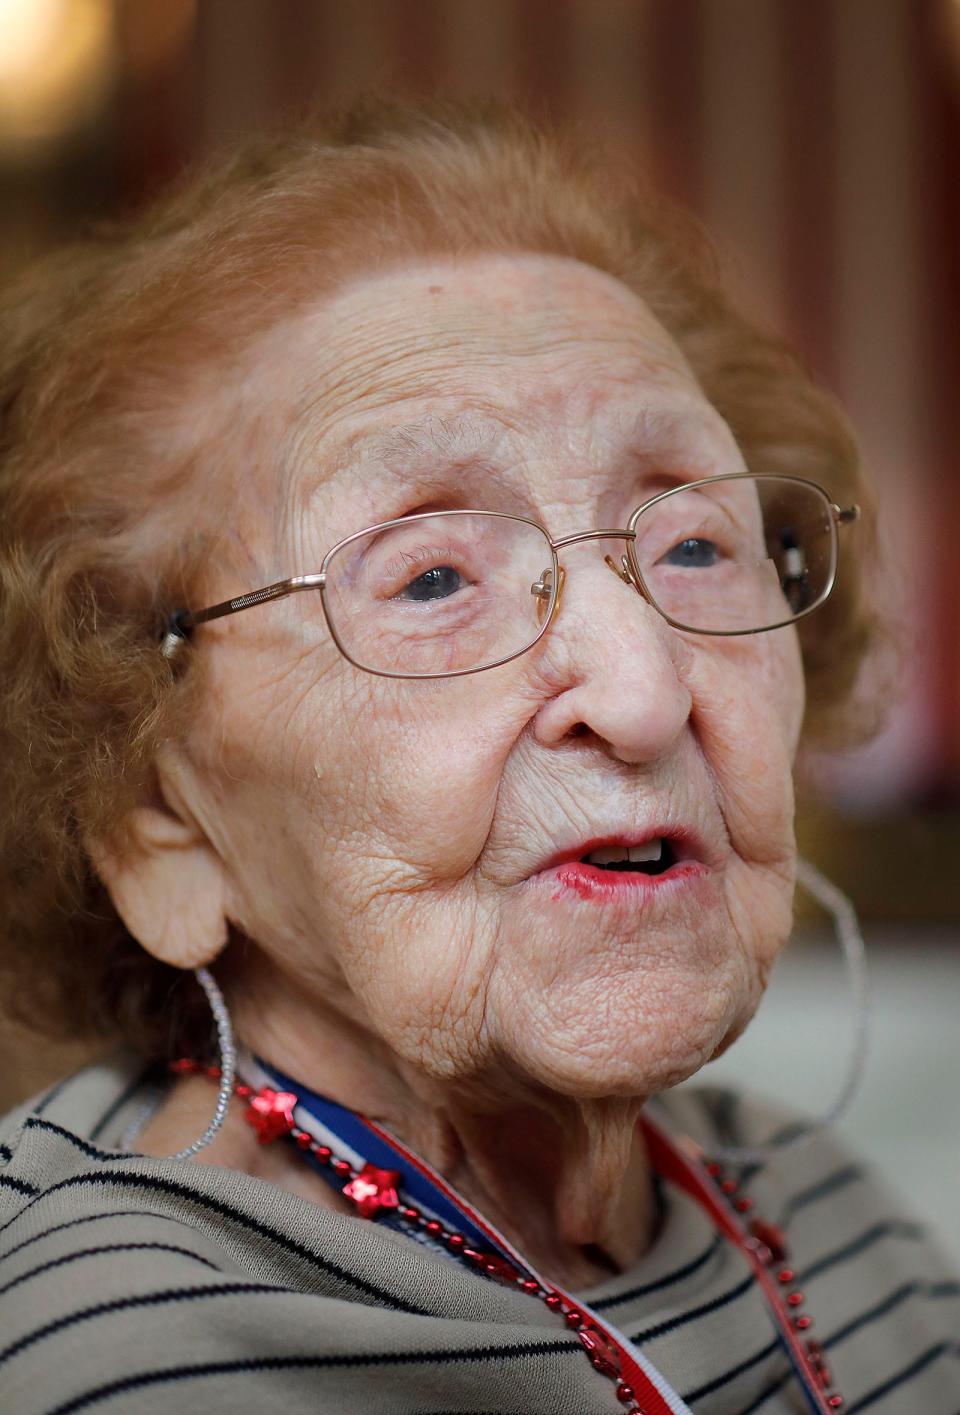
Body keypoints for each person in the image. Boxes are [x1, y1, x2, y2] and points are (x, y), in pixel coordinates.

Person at [0, 99, 956, 1415]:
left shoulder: (832, 1220)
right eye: (435, 576)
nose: (641, 689)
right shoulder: (133, 1349)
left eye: (692, 546)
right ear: (161, 818)